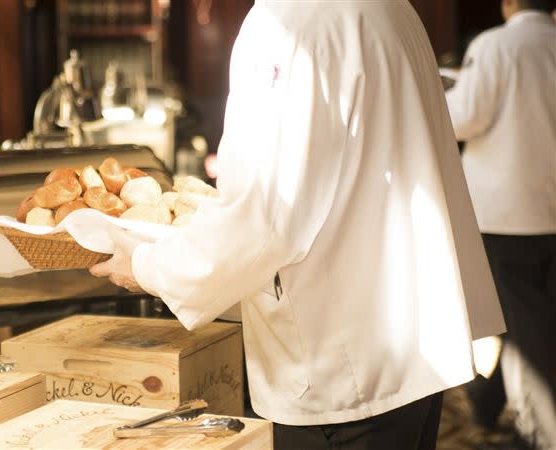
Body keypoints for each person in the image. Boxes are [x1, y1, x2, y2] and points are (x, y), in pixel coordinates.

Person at [91, 1, 506, 448]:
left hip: (341, 367)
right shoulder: (390, 7)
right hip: (407, 338)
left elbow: (265, 219)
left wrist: (149, 265)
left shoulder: (286, 23)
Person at [445, 0, 556, 448]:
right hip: (550, 207)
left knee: (526, 334)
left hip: (510, 214)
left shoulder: (495, 45)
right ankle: (487, 405)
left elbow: (463, 117)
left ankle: (540, 434)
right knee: (534, 323)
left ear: (509, 2)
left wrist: (444, 93)